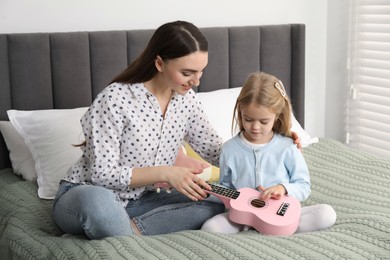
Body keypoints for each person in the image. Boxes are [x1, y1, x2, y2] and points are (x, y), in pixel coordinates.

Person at [201, 72, 337, 234]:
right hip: (241, 218)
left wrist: (283, 188)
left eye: (264, 121)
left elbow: (303, 186)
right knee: (210, 228)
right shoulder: (230, 149)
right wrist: (210, 192)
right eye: (248, 119)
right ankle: (270, 229)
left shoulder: (287, 147)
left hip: (281, 213)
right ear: (240, 112)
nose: (255, 127)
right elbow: (226, 187)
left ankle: (280, 226)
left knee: (326, 214)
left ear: (276, 116)